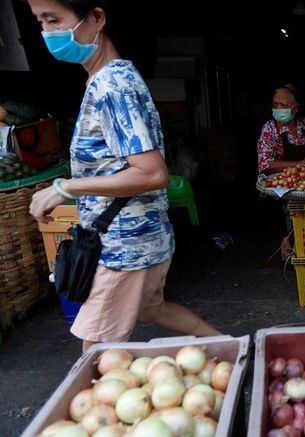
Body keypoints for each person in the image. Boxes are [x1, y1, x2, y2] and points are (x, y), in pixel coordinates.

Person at [27, 0, 221, 352]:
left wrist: (66, 188)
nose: (47, 32)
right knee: (153, 309)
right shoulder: (108, 79)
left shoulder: (112, 86)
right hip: (141, 238)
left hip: (124, 246)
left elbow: (152, 173)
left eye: (54, 20)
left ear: (97, 18)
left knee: (96, 352)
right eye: (40, 21)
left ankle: (233, 353)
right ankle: (233, 349)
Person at [257, 84, 305, 174]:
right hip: (282, 179)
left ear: (295, 108)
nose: (278, 108)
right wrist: (300, 164)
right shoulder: (269, 129)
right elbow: (265, 164)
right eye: (275, 104)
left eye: (283, 105)